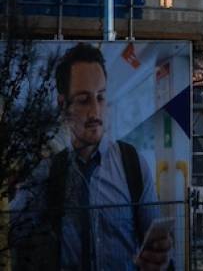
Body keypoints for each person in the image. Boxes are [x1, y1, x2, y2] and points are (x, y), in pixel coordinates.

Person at [11, 43, 174, 270]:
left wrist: (162, 257)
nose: (95, 112)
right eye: (83, 100)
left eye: (100, 98)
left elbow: (157, 249)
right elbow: (14, 237)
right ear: (62, 104)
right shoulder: (46, 175)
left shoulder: (133, 166)